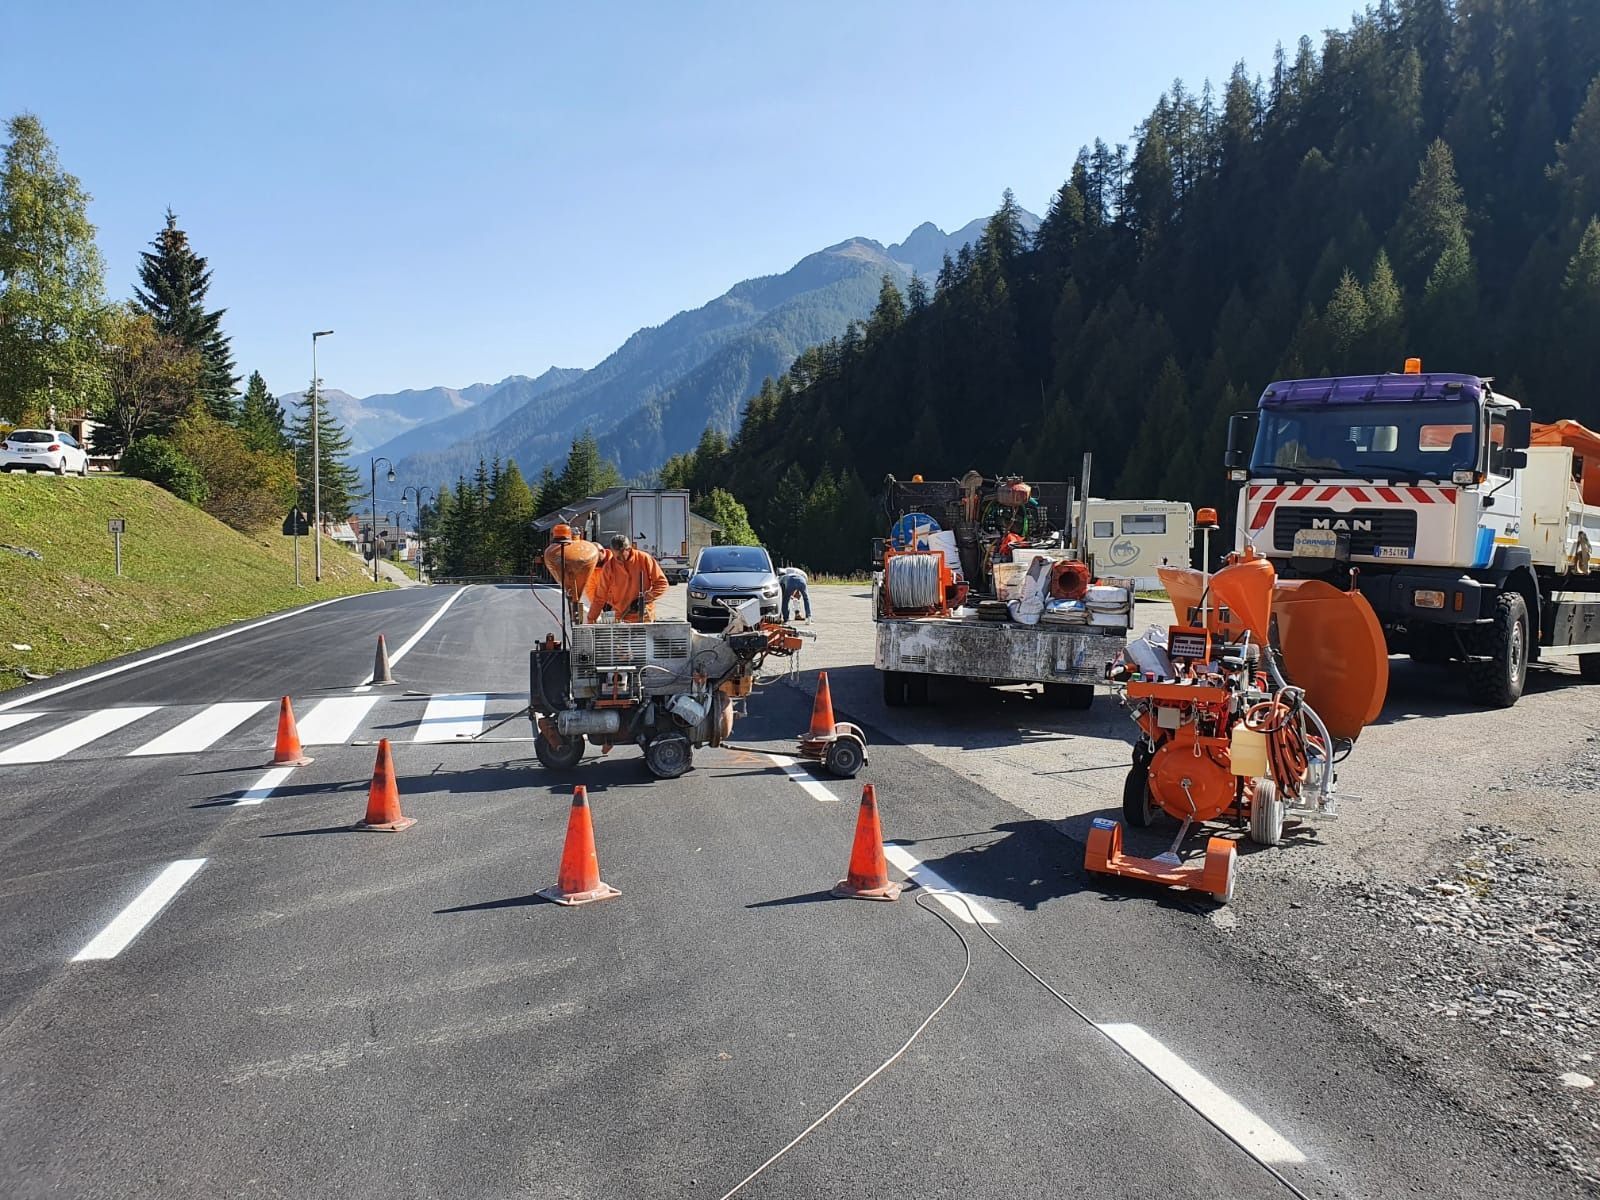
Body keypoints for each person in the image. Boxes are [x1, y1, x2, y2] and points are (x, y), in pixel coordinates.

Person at [587, 534, 669, 623]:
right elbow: (599, 597)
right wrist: (591, 619)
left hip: (643, 616)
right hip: (619, 617)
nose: (619, 560)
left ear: (628, 549)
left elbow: (662, 583)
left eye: (621, 556)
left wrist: (645, 598)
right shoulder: (608, 567)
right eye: (616, 557)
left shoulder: (644, 559)